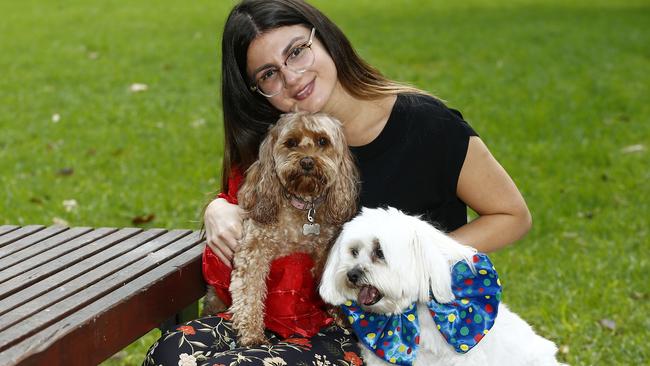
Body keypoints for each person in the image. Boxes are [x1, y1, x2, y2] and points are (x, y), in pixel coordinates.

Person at [144, 0, 531, 364]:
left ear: (325, 38)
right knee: (171, 352)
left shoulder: (426, 126)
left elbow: (512, 215)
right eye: (268, 74)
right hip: (282, 312)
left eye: (296, 51)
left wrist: (420, 259)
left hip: (385, 326)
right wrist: (217, 207)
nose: (292, 78)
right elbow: (247, 198)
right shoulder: (280, 135)